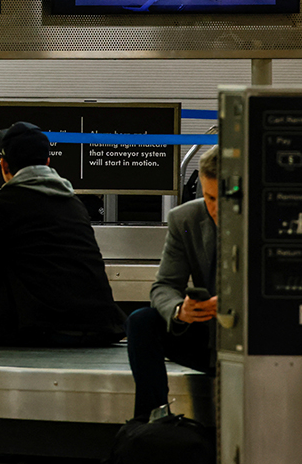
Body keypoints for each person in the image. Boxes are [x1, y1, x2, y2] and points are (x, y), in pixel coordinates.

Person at [0, 121, 127, 347]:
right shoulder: (73, 203)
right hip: (98, 325)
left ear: (3, 165)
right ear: (48, 163)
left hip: (42, 326)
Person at [125, 144, 219, 419]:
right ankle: (151, 421)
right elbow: (164, 286)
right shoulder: (186, 219)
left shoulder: (270, 218)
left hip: (253, 337)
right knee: (142, 322)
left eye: (225, 197)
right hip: (207, 335)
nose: (215, 208)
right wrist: (181, 310)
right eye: (209, 197)